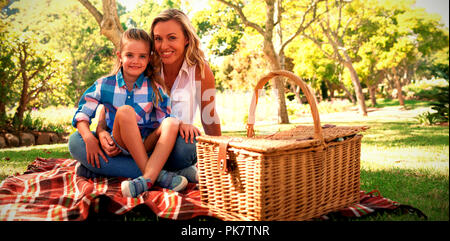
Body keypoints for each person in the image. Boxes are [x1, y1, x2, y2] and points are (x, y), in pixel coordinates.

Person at [94, 9, 221, 180]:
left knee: (191, 146)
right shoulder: (145, 63)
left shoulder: (201, 71)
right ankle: (165, 174)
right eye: (158, 39)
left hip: (172, 146)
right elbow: (114, 96)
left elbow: (209, 116)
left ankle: (104, 169)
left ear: (186, 39)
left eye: (172, 38)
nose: (163, 46)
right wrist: (101, 131)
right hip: (134, 143)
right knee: (78, 143)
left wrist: (221, 156)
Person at [69, 28, 189, 198]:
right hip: (117, 145)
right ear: (119, 56)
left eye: (142, 56)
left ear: (149, 58)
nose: (136, 61)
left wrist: (179, 124)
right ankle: (158, 175)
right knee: (122, 114)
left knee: (172, 122)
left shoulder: (155, 87)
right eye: (129, 55)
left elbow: (164, 123)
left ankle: (144, 179)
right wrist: (89, 138)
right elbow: (83, 114)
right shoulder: (104, 84)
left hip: (146, 144)